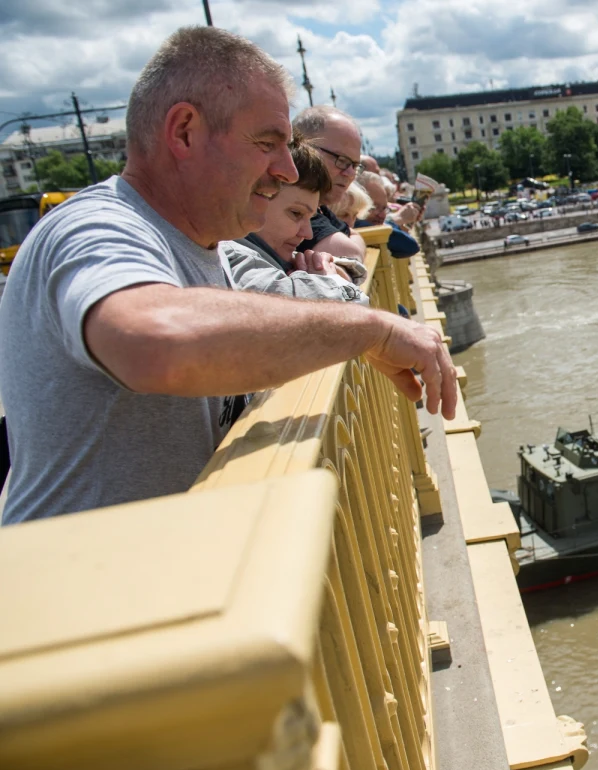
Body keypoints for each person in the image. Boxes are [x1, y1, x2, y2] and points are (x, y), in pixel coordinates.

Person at [0, 26, 455, 526]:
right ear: (185, 132)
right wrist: (372, 330)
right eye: (267, 143)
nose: (286, 169)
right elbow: (158, 343)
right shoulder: (95, 226)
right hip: (88, 593)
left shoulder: (208, 247)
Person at [222, 136, 366, 304]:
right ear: (255, 198)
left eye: (311, 218)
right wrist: (332, 283)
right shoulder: (236, 259)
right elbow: (357, 305)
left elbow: (354, 270)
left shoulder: (270, 253)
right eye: (296, 213)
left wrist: (334, 272)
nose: (308, 233)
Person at [291, 105, 367, 260]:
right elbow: (351, 254)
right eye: (341, 160)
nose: (350, 174)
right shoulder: (295, 206)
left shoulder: (319, 208)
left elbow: (353, 236)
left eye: (355, 165)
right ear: (302, 147)